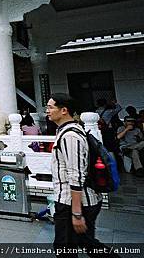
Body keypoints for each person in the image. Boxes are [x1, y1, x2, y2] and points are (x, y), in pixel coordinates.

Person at [47, 93, 117, 258]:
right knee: (85, 244)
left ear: (64, 110)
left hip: (73, 202)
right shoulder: (68, 131)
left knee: (66, 248)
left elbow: (76, 175)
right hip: (73, 201)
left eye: (50, 107)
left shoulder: (70, 136)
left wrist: (76, 214)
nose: (47, 111)